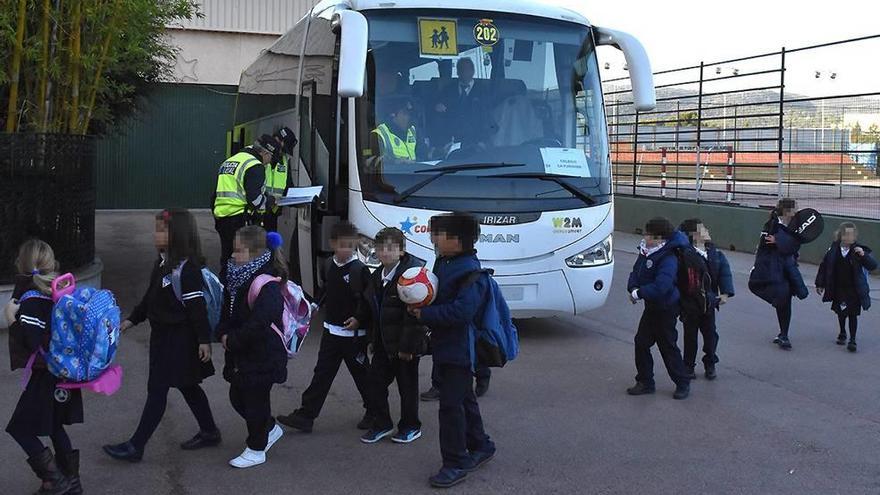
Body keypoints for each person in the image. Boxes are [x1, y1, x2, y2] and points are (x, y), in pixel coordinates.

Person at [103, 209, 220, 462]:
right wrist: (132, 319)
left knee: (157, 390)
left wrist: (203, 340)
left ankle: (136, 446)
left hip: (178, 340)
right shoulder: (163, 262)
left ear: (176, 234)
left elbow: (196, 308)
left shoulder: (186, 269)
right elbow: (150, 298)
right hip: (163, 338)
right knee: (188, 386)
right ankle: (210, 431)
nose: (155, 234)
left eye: (160, 230)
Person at [410, 212, 495, 489]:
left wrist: (425, 315)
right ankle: (481, 444)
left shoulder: (471, 272)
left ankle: (455, 462)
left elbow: (462, 312)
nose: (433, 238)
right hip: (446, 347)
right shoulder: (446, 261)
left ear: (456, 241)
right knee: (464, 398)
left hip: (461, 350)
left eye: (439, 235)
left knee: (450, 407)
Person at [276, 222, 374, 433]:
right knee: (322, 373)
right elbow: (326, 289)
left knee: (362, 375)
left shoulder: (360, 270)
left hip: (353, 336)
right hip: (331, 332)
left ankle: (374, 411)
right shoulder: (329, 264)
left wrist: (358, 318)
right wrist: (314, 305)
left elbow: (368, 301)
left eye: (351, 246)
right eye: (342, 245)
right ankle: (306, 415)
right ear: (332, 244)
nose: (346, 250)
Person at [5, 239, 83, 495]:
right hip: (62, 373)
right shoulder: (59, 291)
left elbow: (32, 341)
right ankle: (72, 481)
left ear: (22, 264)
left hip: (44, 376)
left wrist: (11, 319)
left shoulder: (31, 300)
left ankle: (56, 480)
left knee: (19, 428)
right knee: (54, 425)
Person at [218, 226, 289, 468]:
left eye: (239, 251)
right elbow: (227, 309)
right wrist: (224, 331)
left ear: (256, 254)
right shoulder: (236, 276)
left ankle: (257, 448)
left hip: (262, 353)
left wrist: (234, 339)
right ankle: (268, 429)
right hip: (244, 353)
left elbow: (260, 321)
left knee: (255, 400)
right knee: (238, 396)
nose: (233, 256)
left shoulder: (266, 283)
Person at [360, 227, 426, 444]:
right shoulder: (377, 275)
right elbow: (372, 309)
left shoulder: (412, 278)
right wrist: (363, 327)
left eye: (390, 248)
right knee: (374, 384)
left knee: (407, 389)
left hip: (404, 347)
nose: (385, 253)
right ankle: (382, 423)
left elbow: (415, 319)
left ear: (402, 251)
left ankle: (410, 426)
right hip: (382, 344)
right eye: (380, 248)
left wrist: (408, 348)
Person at [626, 217, 691, 400]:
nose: (645, 236)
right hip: (653, 306)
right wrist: (633, 288)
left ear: (659, 238)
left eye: (648, 234)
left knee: (667, 346)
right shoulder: (647, 251)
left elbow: (662, 286)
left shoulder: (669, 257)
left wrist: (638, 294)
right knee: (641, 342)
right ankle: (645, 381)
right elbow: (636, 272)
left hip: (666, 308)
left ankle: (682, 382)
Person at [678, 219, 735, 380]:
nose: (707, 231)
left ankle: (710, 362)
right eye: (703, 229)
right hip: (690, 304)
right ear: (694, 235)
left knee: (710, 336)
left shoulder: (714, 253)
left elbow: (724, 272)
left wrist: (725, 292)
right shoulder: (685, 255)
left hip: (708, 304)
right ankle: (688, 366)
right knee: (690, 337)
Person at [213, 134, 280, 267]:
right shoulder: (255, 166)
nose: (268, 163)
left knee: (228, 259)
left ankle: (225, 285)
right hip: (239, 220)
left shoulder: (230, 161)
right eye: (271, 158)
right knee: (242, 262)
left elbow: (214, 195)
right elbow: (255, 200)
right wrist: (269, 202)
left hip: (222, 218)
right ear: (266, 153)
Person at [750, 198, 809, 350]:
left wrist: (789, 248)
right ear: (787, 211)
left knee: (786, 299)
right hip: (773, 268)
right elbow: (767, 244)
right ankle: (783, 332)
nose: (797, 212)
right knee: (781, 298)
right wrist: (782, 243)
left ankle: (784, 334)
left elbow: (793, 244)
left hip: (788, 268)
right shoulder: (771, 225)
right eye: (795, 209)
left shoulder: (794, 227)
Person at [815, 222, 878, 352]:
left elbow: (872, 265)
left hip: (854, 289)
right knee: (841, 312)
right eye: (847, 235)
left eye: (853, 235)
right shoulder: (833, 250)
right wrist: (820, 283)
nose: (850, 238)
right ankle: (842, 332)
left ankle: (853, 339)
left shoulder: (858, 250)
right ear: (841, 236)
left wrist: (864, 255)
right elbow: (824, 267)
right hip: (838, 287)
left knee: (853, 314)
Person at [432, 58, 492, 149]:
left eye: (467, 69)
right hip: (451, 142)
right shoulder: (448, 90)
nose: (464, 72)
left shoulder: (483, 91)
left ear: (473, 71)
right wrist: (437, 107)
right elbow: (438, 113)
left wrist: (482, 141)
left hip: (475, 142)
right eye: (461, 69)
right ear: (458, 72)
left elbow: (486, 118)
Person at [260, 127, 297, 233]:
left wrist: (298, 200)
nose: (282, 152)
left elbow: (288, 186)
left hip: (273, 211)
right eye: (282, 149)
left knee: (270, 245)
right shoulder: (261, 156)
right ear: (277, 140)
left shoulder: (284, 160)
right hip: (258, 210)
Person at [371, 97, 422, 162]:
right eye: (405, 114)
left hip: (415, 171)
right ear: (393, 115)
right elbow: (370, 162)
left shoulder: (413, 131)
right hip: (392, 171)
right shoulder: (379, 134)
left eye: (410, 114)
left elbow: (422, 155)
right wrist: (395, 162)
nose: (409, 117)